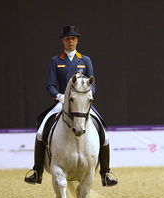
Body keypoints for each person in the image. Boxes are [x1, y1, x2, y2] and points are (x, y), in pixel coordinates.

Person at [24, 26, 117, 187]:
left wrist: (87, 95)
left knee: (104, 134)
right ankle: (37, 171)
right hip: (61, 103)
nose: (70, 42)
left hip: (81, 103)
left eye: (73, 39)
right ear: (63, 41)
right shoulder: (56, 60)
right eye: (67, 39)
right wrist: (59, 96)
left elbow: (92, 84)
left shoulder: (85, 60)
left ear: (77, 40)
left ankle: (105, 173)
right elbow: (50, 85)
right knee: (40, 132)